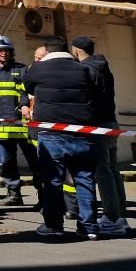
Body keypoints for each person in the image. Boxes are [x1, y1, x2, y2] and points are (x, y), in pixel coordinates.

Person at [24, 36, 103, 240]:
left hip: (52, 134)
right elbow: (96, 91)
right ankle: (89, 226)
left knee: (52, 181)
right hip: (83, 132)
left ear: (48, 52)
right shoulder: (85, 69)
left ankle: (54, 225)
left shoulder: (38, 69)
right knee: (84, 180)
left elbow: (28, 87)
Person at [71, 36, 128, 236]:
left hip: (97, 126)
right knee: (112, 170)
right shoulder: (103, 67)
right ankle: (119, 214)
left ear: (76, 50)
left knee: (103, 172)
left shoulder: (86, 70)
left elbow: (86, 99)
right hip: (110, 122)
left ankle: (112, 218)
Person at [0, 35, 42, 207]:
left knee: (35, 162)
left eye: (6, 50)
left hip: (23, 125)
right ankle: (14, 193)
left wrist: (24, 105)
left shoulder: (22, 69)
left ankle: (43, 195)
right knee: (7, 163)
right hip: (1, 126)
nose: (3, 53)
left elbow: (27, 93)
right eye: (0, 50)